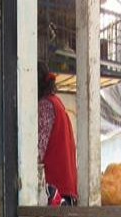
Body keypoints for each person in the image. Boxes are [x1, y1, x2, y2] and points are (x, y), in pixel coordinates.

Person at [38, 63, 78, 205]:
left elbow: (37, 154)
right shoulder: (57, 103)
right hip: (67, 190)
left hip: (56, 192)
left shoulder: (45, 106)